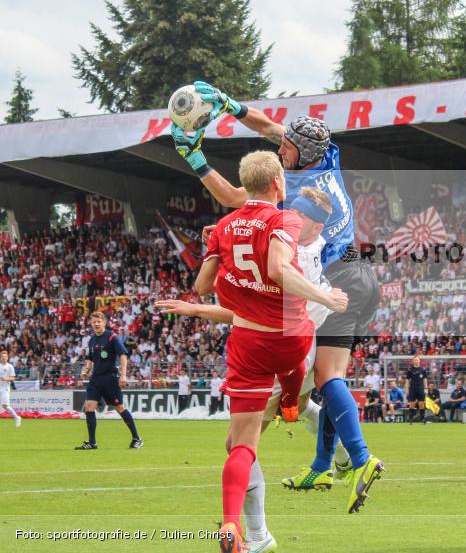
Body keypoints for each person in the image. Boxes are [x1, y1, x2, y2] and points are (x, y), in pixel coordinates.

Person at [174, 81, 383, 515]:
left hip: (332, 279)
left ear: (301, 157)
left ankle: (358, 459)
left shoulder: (300, 192)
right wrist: (232, 106)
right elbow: (269, 126)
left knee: (323, 380)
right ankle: (330, 462)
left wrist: (195, 158)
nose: (280, 148)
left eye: (286, 148)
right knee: (311, 390)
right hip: (356, 273)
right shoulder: (327, 152)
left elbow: (237, 198)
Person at [156, 185, 351, 553]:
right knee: (295, 411)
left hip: (287, 341)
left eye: (300, 214)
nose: (292, 216)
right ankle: (336, 455)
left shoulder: (298, 250)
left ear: (314, 223)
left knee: (239, 444)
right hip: (290, 343)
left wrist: (224, 242)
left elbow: (248, 293)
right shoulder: (289, 240)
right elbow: (250, 300)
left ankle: (258, 535)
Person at [75, 312, 142, 451]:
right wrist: (86, 369)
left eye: (99, 321)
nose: (97, 324)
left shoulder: (112, 337)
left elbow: (123, 355)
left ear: (104, 322)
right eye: (94, 322)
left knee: (120, 408)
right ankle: (92, 442)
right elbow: (90, 358)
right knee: (89, 406)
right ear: (91, 324)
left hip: (110, 378)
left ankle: (137, 438)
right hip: (96, 379)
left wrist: (123, 375)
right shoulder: (92, 340)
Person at [405, 356, 428, 423]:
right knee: (412, 403)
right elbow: (407, 380)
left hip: (420, 388)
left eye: (417, 360)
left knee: (421, 403)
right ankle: (411, 418)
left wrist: (426, 388)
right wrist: (407, 390)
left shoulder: (423, 369)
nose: (416, 361)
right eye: (415, 360)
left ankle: (422, 419)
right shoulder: (410, 369)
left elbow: (425, 379)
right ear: (413, 361)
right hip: (412, 388)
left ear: (419, 361)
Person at [0, 350, 20, 428]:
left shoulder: (10, 366)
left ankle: (17, 417)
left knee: (5, 406)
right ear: (0, 357)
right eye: (2, 356)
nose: (4, 358)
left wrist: (5, 379)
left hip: (5, 388)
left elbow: (13, 378)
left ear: (7, 358)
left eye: (5, 356)